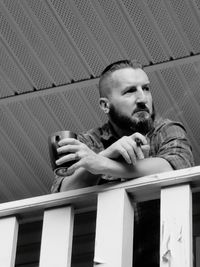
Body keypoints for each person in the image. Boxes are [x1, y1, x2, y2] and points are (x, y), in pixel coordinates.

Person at [51, 59, 194, 266]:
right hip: (107, 257)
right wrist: (107, 154)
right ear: (105, 105)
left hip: (167, 256)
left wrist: (102, 164)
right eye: (129, 91)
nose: (142, 98)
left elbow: (173, 166)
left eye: (146, 88)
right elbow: (64, 192)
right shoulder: (89, 142)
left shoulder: (167, 129)